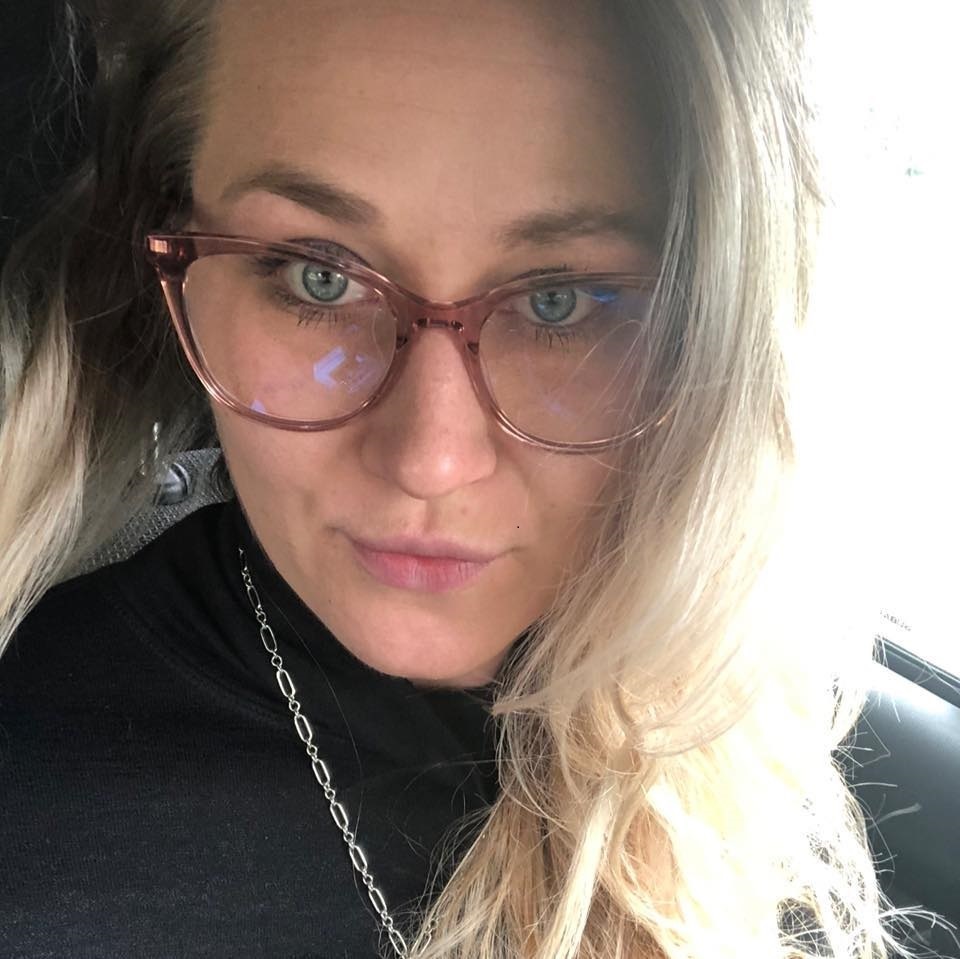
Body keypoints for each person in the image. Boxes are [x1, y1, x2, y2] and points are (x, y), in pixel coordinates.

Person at [0, 1, 921, 957]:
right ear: (177, 257)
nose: (430, 460)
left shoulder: (747, 713)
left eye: (561, 300)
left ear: (723, 334)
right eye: (318, 275)